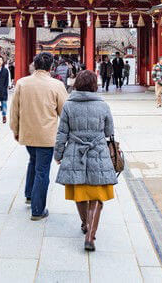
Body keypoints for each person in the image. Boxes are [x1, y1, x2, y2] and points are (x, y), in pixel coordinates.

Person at [54, 69, 117, 251]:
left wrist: (58, 154)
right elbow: (108, 132)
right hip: (97, 151)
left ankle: (85, 224)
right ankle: (90, 236)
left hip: (75, 151)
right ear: (94, 85)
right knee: (97, 194)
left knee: (80, 191)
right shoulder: (103, 106)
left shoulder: (68, 105)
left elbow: (62, 133)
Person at [10, 52, 69, 220]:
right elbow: (64, 112)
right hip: (46, 135)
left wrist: (15, 129)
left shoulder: (22, 83)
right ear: (51, 67)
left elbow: (14, 110)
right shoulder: (56, 85)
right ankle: (37, 209)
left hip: (27, 132)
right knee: (42, 170)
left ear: (34, 65)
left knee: (33, 161)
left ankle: (29, 194)